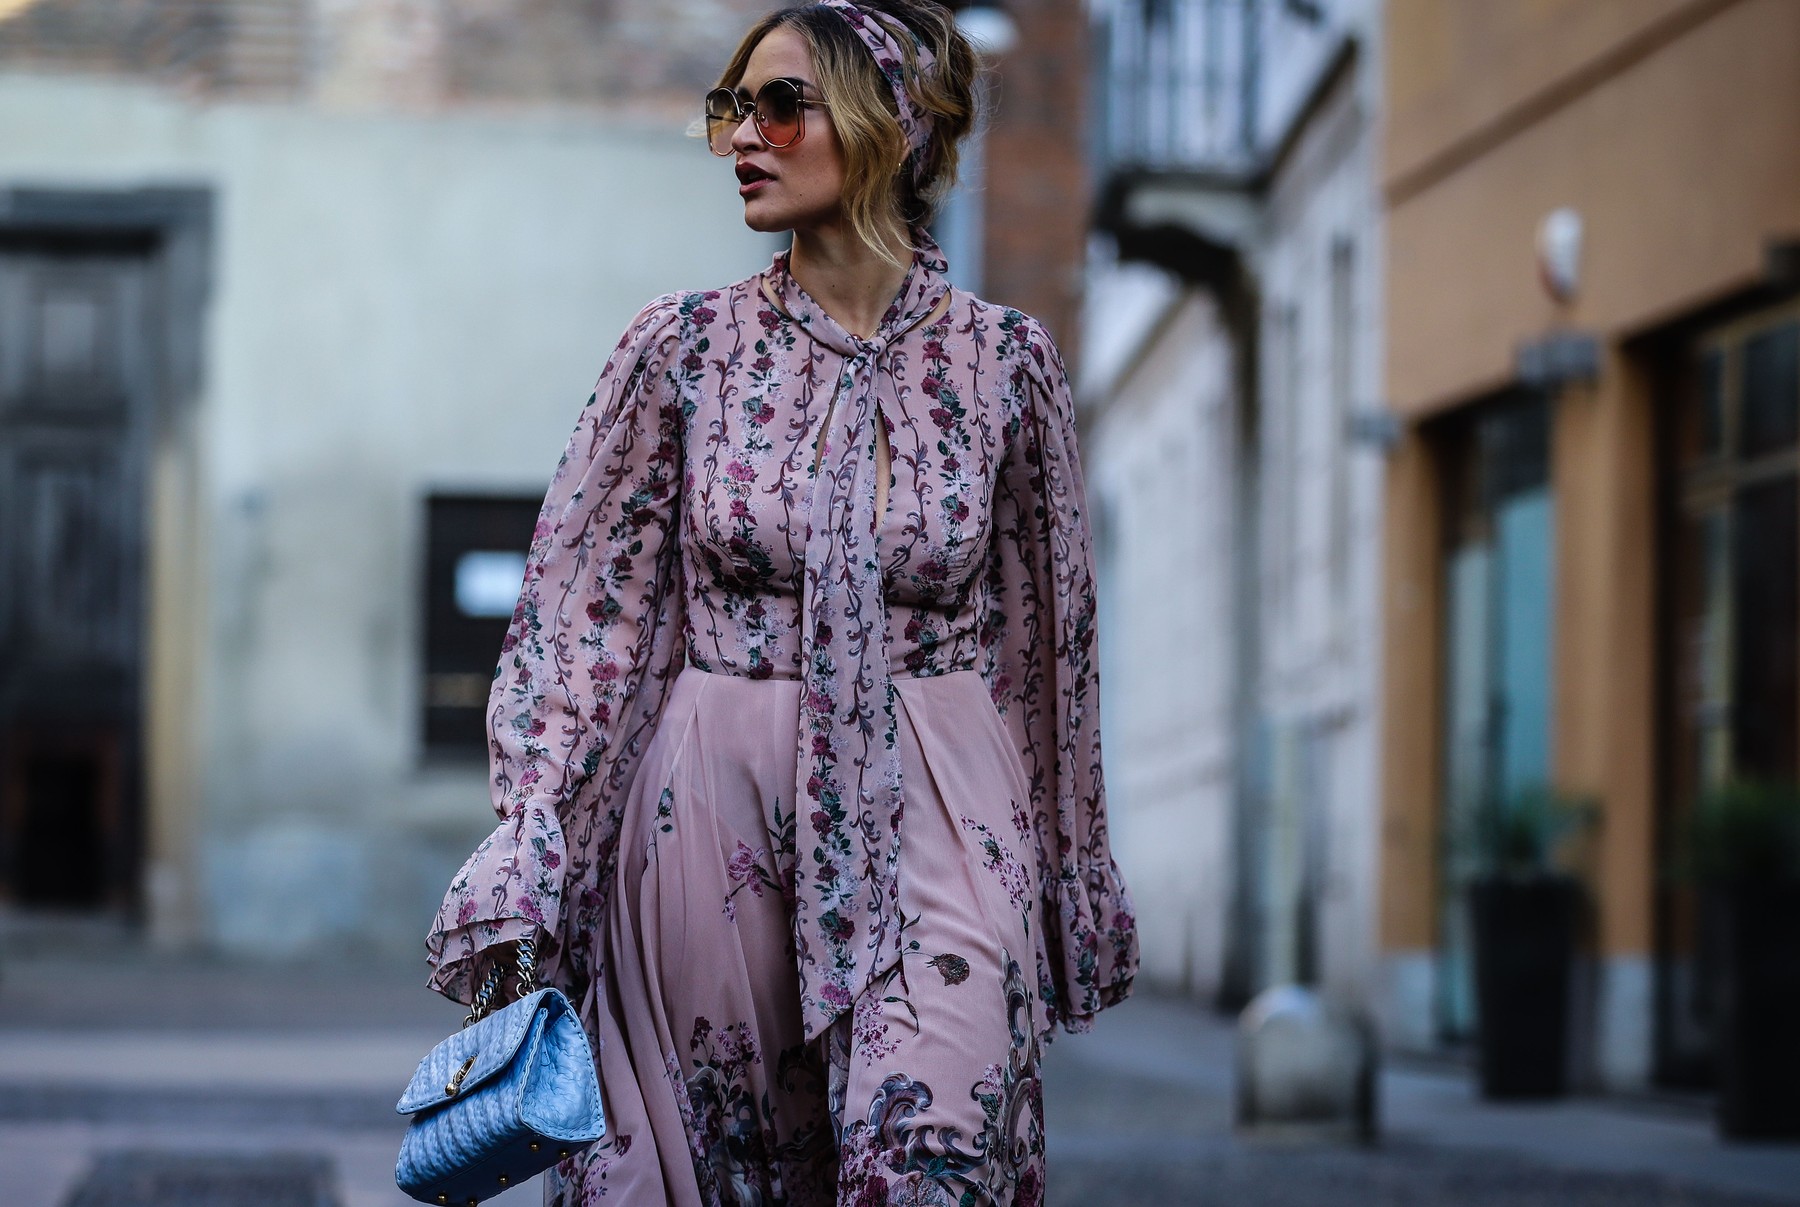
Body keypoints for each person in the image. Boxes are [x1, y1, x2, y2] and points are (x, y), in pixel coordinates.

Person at [424, 2, 1138, 1202]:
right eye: (730, 109)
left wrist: (1067, 879)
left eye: (780, 104)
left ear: (889, 126)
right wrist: (536, 836)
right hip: (710, 819)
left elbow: (1047, 645)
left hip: (944, 812)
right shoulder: (683, 351)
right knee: (722, 1169)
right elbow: (582, 619)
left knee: (931, 1162)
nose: (743, 136)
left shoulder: (1006, 366)